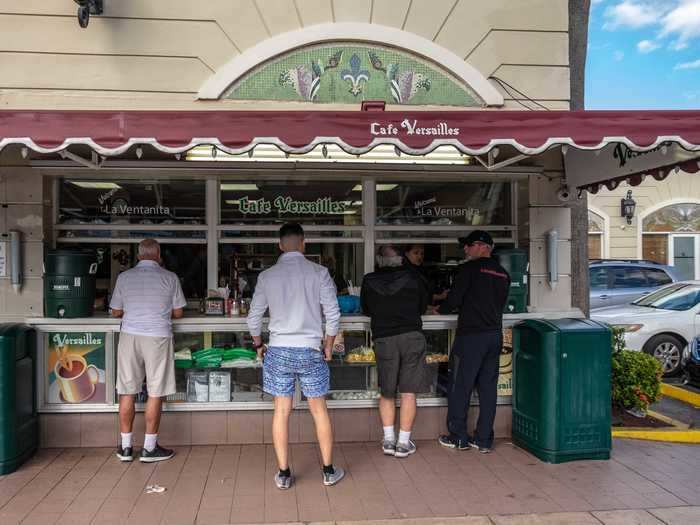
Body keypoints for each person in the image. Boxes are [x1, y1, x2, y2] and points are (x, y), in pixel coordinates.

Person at [247, 223, 344, 490]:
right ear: (304, 243)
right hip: (311, 349)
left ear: (280, 245)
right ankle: (328, 471)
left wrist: (258, 344)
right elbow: (333, 316)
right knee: (319, 410)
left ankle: (284, 474)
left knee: (281, 411)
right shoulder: (320, 273)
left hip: (278, 350)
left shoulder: (267, 276)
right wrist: (328, 344)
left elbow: (254, 318)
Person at [110, 238, 186, 463]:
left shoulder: (124, 277)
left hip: (130, 336)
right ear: (159, 254)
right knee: (155, 392)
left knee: (127, 391)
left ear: (138, 255)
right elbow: (179, 313)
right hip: (158, 337)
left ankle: (125, 448)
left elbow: (115, 312)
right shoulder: (170, 277)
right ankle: (149, 449)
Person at [437, 230, 510, 453]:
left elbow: (454, 300)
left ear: (481, 246)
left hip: (470, 337)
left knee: (461, 386)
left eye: (468, 246)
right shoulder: (503, 273)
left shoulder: (469, 269)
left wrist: (441, 307)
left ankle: (458, 437)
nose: (465, 250)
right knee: (488, 389)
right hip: (494, 336)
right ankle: (484, 439)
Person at [361, 245, 430, 458]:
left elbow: (366, 309)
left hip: (384, 338)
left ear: (380, 261)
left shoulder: (369, 280)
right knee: (408, 391)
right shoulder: (415, 278)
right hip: (411, 336)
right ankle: (403, 443)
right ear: (401, 260)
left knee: (387, 391)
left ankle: (388, 440)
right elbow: (423, 307)